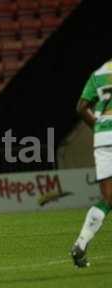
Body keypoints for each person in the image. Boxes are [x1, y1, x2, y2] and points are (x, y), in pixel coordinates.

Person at [71, 60, 112, 267]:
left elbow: (81, 107)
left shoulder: (99, 73)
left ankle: (81, 242)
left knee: (108, 198)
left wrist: (99, 127)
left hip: (103, 138)